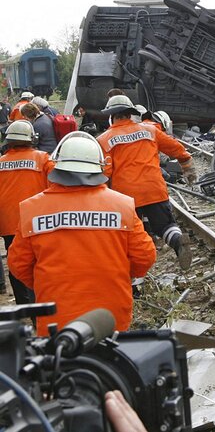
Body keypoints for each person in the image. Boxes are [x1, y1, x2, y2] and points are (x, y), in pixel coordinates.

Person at [8, 132, 156, 335]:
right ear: (99, 166)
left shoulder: (32, 209)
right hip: (110, 317)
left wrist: (46, 284)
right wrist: (118, 276)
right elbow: (145, 256)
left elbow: (18, 264)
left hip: (55, 318)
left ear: (57, 165)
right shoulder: (122, 206)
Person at [96, 95, 196, 270]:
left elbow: (106, 173)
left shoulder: (104, 140)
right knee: (165, 225)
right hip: (154, 189)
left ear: (112, 116)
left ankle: (137, 269)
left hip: (126, 196)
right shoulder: (150, 130)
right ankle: (177, 240)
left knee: (131, 233)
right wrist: (186, 164)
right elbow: (174, 147)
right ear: (130, 113)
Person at [0, 120, 54, 302]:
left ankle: (24, 304)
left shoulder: (1, 163)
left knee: (16, 264)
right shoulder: (43, 159)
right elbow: (58, 185)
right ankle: (43, 302)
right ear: (32, 138)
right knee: (42, 263)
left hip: (9, 224)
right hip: (39, 222)